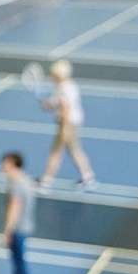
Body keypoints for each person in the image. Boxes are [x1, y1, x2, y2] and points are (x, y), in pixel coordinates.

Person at [38, 59, 96, 192]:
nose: (51, 76)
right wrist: (46, 104)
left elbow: (65, 108)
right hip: (73, 122)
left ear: (58, 75)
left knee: (55, 152)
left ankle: (46, 182)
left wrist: (64, 128)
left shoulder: (63, 88)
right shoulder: (68, 86)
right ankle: (88, 178)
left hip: (67, 123)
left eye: (52, 74)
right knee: (74, 150)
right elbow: (55, 103)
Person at [0, 152, 37, 274]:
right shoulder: (25, 179)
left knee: (19, 261)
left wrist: (7, 231)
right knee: (15, 259)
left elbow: (14, 209)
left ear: (13, 163)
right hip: (26, 226)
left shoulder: (15, 184)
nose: (1, 166)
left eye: (4, 163)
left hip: (18, 229)